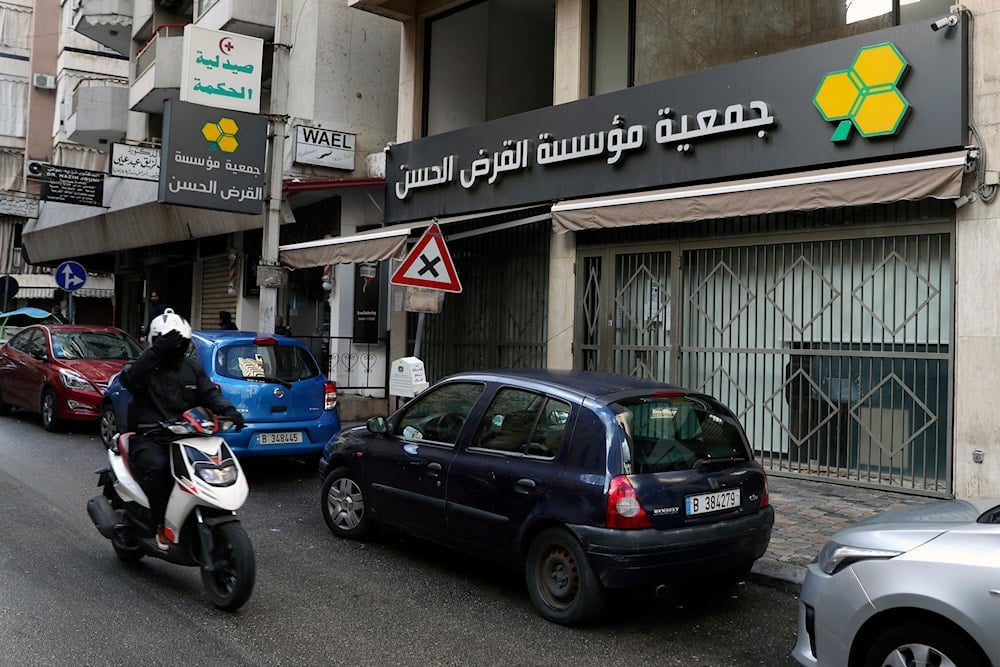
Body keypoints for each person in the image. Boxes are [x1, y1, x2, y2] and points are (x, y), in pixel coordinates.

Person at [119, 308, 244, 550]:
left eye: (179, 344)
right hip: (150, 437)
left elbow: (209, 393)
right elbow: (130, 380)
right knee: (160, 468)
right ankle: (160, 524)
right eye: (168, 344)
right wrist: (155, 353)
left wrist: (229, 410)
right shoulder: (143, 367)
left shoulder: (192, 368)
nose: (174, 349)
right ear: (156, 342)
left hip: (188, 435)